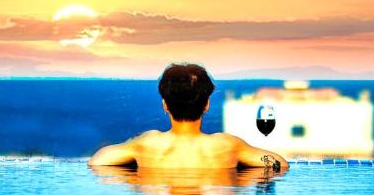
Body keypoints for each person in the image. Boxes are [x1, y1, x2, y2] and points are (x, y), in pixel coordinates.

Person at [88, 62, 290, 170]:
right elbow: (278, 163)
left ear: (165, 104)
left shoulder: (148, 143)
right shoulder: (227, 145)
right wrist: (244, 178)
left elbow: (97, 160)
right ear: (207, 105)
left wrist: (131, 177)